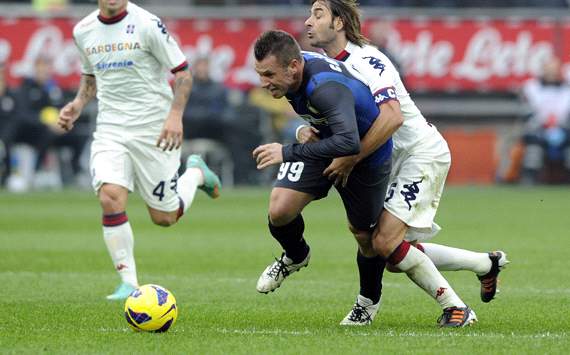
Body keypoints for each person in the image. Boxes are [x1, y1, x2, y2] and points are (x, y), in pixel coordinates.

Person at [303, 0, 508, 326]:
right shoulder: (328, 66)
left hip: (419, 154)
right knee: (392, 254)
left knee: (385, 243)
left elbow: (393, 117)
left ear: (339, 22)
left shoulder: (367, 59)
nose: (307, 22)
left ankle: (456, 308)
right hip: (390, 162)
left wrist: (351, 158)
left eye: (317, 14)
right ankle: (486, 264)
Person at [58, 0, 221, 300]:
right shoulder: (84, 30)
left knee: (164, 217)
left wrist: (174, 116)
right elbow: (90, 75)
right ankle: (129, 283)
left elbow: (183, 73)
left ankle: (196, 173)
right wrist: (78, 104)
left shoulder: (147, 24)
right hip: (111, 129)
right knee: (110, 196)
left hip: (154, 129)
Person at [519, 56, 570, 184]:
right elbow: (526, 111)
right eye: (548, 69)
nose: (551, 73)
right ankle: (529, 179)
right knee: (533, 148)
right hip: (539, 129)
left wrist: (560, 126)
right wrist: (543, 124)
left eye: (554, 70)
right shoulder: (531, 88)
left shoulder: (567, 89)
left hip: (563, 129)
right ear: (542, 70)